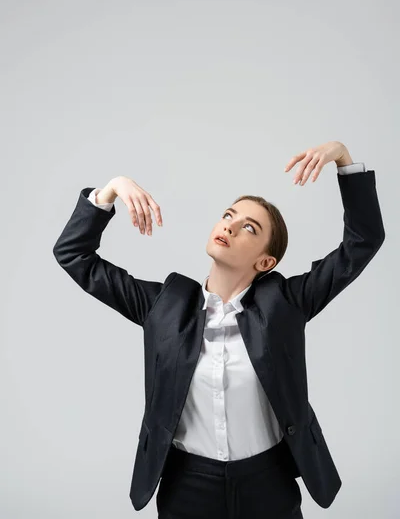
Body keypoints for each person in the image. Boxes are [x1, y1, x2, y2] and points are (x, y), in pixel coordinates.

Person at [53, 140, 385, 518]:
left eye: (249, 227)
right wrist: (111, 188)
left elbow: (363, 242)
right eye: (228, 215)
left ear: (266, 260)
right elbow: (74, 255)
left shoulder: (286, 303)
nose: (230, 225)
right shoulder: (164, 307)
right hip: (187, 486)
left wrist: (342, 158)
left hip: (268, 483)